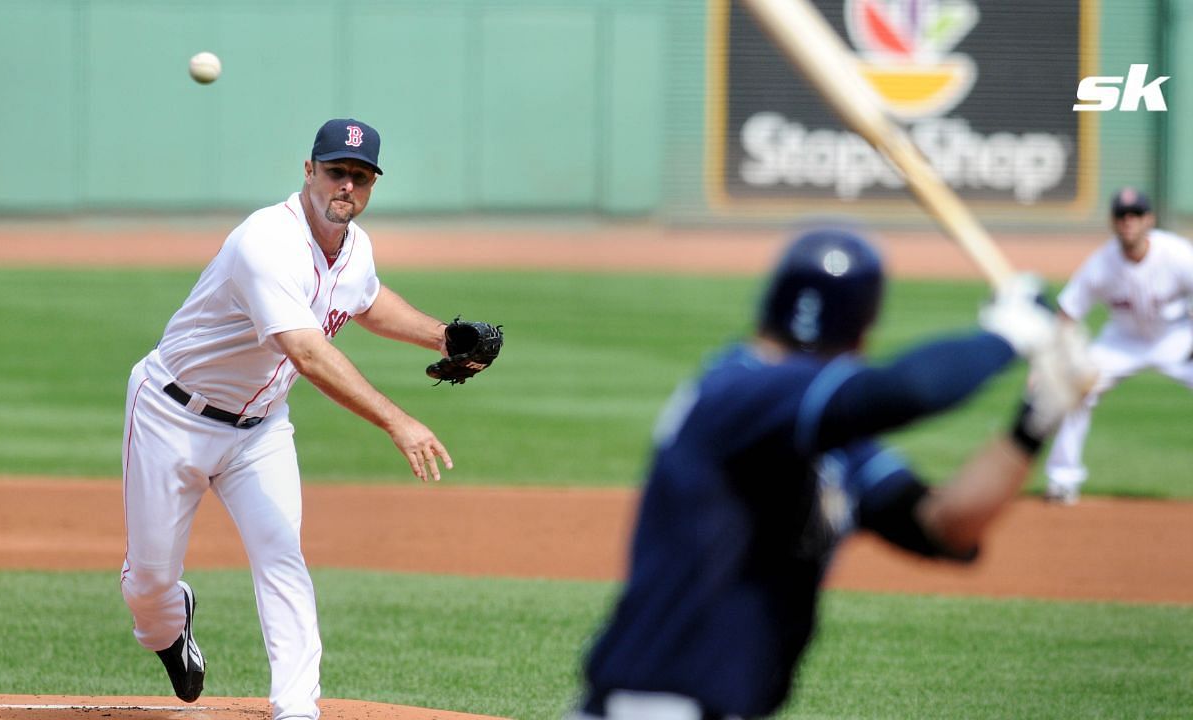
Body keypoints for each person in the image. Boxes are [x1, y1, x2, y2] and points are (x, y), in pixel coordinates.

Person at [566, 228, 1094, 720]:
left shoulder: (827, 445)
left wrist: (1035, 420)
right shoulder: (738, 392)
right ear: (863, 327)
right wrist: (1009, 334)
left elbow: (945, 525)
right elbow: (906, 392)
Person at [120, 118, 488, 720]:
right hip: (172, 416)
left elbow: (365, 299)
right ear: (309, 170)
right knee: (149, 584)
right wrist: (399, 421)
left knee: (281, 554)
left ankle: (297, 708)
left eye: (361, 176)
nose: (347, 186)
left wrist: (444, 337)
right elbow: (309, 353)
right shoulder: (265, 241)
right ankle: (167, 627)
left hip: (260, 429)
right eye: (337, 171)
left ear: (371, 186)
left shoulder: (354, 245)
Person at [1043, 187, 1193, 504]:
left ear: (1149, 219)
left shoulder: (1178, 254)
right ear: (1112, 222)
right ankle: (1062, 480)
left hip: (1175, 337)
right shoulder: (1101, 263)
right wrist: (1052, 361)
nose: (1129, 221)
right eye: (1122, 216)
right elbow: (1067, 313)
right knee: (1076, 389)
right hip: (1121, 342)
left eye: (1136, 214)